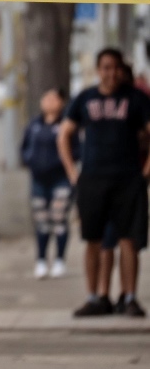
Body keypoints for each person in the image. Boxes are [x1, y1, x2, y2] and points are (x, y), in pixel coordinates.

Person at [60, 48, 150, 318]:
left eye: (115, 68)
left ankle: (129, 296)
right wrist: (71, 172)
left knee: (128, 241)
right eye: (105, 68)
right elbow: (64, 134)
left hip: (128, 179)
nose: (110, 73)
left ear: (120, 70)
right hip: (93, 179)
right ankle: (96, 297)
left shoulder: (135, 99)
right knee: (93, 240)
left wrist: (145, 171)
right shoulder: (85, 98)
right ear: (98, 70)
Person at [20, 89, 71, 280]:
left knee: (58, 218)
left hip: (60, 178)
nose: (49, 102)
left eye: (53, 98)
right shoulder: (34, 124)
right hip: (38, 179)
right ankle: (41, 260)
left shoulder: (66, 124)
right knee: (42, 221)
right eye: (46, 98)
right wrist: (29, 159)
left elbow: (75, 149)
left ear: (61, 102)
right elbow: (24, 147)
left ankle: (59, 260)